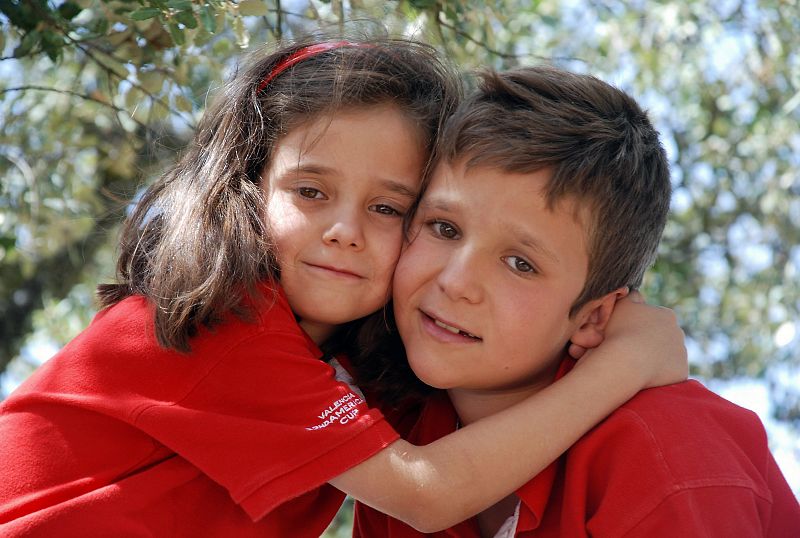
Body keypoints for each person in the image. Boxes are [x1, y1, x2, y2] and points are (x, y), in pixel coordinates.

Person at [0, 40, 686, 537]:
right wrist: (624, 363)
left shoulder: (350, 367)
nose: (345, 232)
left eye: (388, 208)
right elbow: (426, 493)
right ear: (246, 186)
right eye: (310, 191)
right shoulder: (219, 323)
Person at [353, 66, 800, 537]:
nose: (456, 281)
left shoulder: (667, 455)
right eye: (444, 228)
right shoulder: (403, 438)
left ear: (593, 316)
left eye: (520, 264)